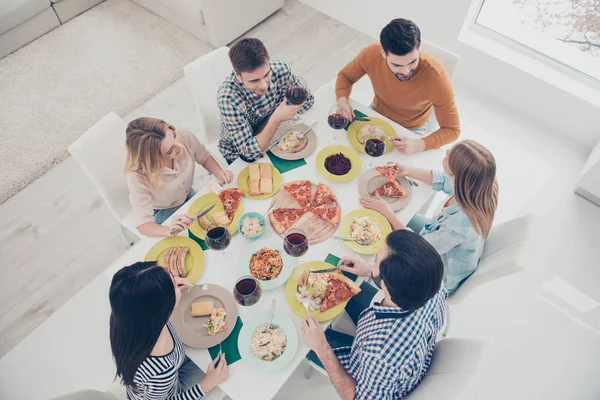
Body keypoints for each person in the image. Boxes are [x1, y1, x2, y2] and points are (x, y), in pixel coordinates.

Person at [302, 230, 446, 399]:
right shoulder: (432, 280)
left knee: (302, 340)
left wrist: (322, 348)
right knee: (340, 283)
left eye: (376, 259)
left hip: (368, 370)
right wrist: (370, 270)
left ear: (386, 285)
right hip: (396, 334)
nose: (374, 258)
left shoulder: (380, 355)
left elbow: (357, 397)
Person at [361, 140, 498, 292]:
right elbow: (444, 180)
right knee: (389, 221)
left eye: (448, 156)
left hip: (433, 275)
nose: (445, 152)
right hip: (435, 239)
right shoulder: (477, 186)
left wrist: (388, 213)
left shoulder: (457, 228)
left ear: (456, 174)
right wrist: (407, 170)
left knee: (378, 237)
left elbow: (419, 247)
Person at [335, 18, 460, 154]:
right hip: (376, 113)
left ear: (418, 49)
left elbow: (452, 130)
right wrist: (342, 102)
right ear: (383, 54)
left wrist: (419, 144)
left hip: (411, 129)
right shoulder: (371, 54)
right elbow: (345, 76)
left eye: (413, 61)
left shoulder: (437, 77)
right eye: (397, 65)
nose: (406, 71)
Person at [109, 261, 228, 399]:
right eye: (173, 283)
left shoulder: (125, 316)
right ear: (163, 309)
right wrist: (207, 384)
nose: (178, 281)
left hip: (171, 369)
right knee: (225, 367)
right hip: (173, 391)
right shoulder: (160, 372)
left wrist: (167, 292)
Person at [125, 117, 233, 237]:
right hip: (164, 211)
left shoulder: (184, 135)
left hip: (187, 195)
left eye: (174, 136)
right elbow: (143, 225)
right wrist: (168, 230)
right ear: (153, 160)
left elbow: (204, 157)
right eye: (170, 151)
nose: (180, 146)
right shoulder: (137, 176)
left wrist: (220, 173)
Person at [218, 38, 314, 164]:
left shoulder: (280, 69)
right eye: (254, 81)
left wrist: (280, 117)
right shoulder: (228, 99)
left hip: (278, 135)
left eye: (266, 75)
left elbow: (308, 101)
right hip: (240, 156)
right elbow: (248, 153)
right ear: (237, 75)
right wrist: (275, 119)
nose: (263, 85)